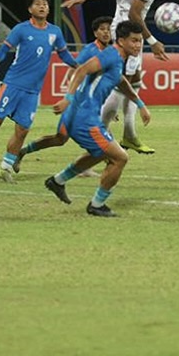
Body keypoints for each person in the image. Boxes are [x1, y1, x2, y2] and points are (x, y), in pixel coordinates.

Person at [63, 0, 178, 154]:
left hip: (122, 26)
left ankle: (129, 134)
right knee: (119, 83)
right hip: (129, 32)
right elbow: (135, 13)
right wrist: (153, 41)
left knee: (134, 79)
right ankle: (97, 141)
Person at [0, 0, 78, 183]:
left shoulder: (55, 32)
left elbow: (64, 54)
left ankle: (5, 167)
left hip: (33, 91)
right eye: (38, 4)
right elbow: (5, 48)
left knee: (23, 130)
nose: (42, 6)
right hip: (13, 84)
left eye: (45, 4)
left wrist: (78, 66)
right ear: (30, 9)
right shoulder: (21, 29)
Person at [43, 20, 151, 217]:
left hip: (84, 115)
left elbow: (119, 80)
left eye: (140, 41)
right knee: (120, 158)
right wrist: (67, 98)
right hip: (85, 118)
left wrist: (140, 103)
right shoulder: (111, 55)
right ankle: (97, 205)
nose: (138, 45)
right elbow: (82, 69)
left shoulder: (118, 58)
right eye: (134, 40)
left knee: (100, 153)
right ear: (121, 41)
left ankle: (57, 181)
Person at [15, 15, 114, 169]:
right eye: (102, 29)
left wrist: (108, 106)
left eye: (108, 29)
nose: (106, 32)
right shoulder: (90, 50)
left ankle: (99, 165)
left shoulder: (111, 53)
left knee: (103, 137)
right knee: (60, 139)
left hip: (92, 106)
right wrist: (70, 97)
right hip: (78, 104)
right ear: (95, 33)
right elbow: (72, 72)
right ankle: (23, 151)